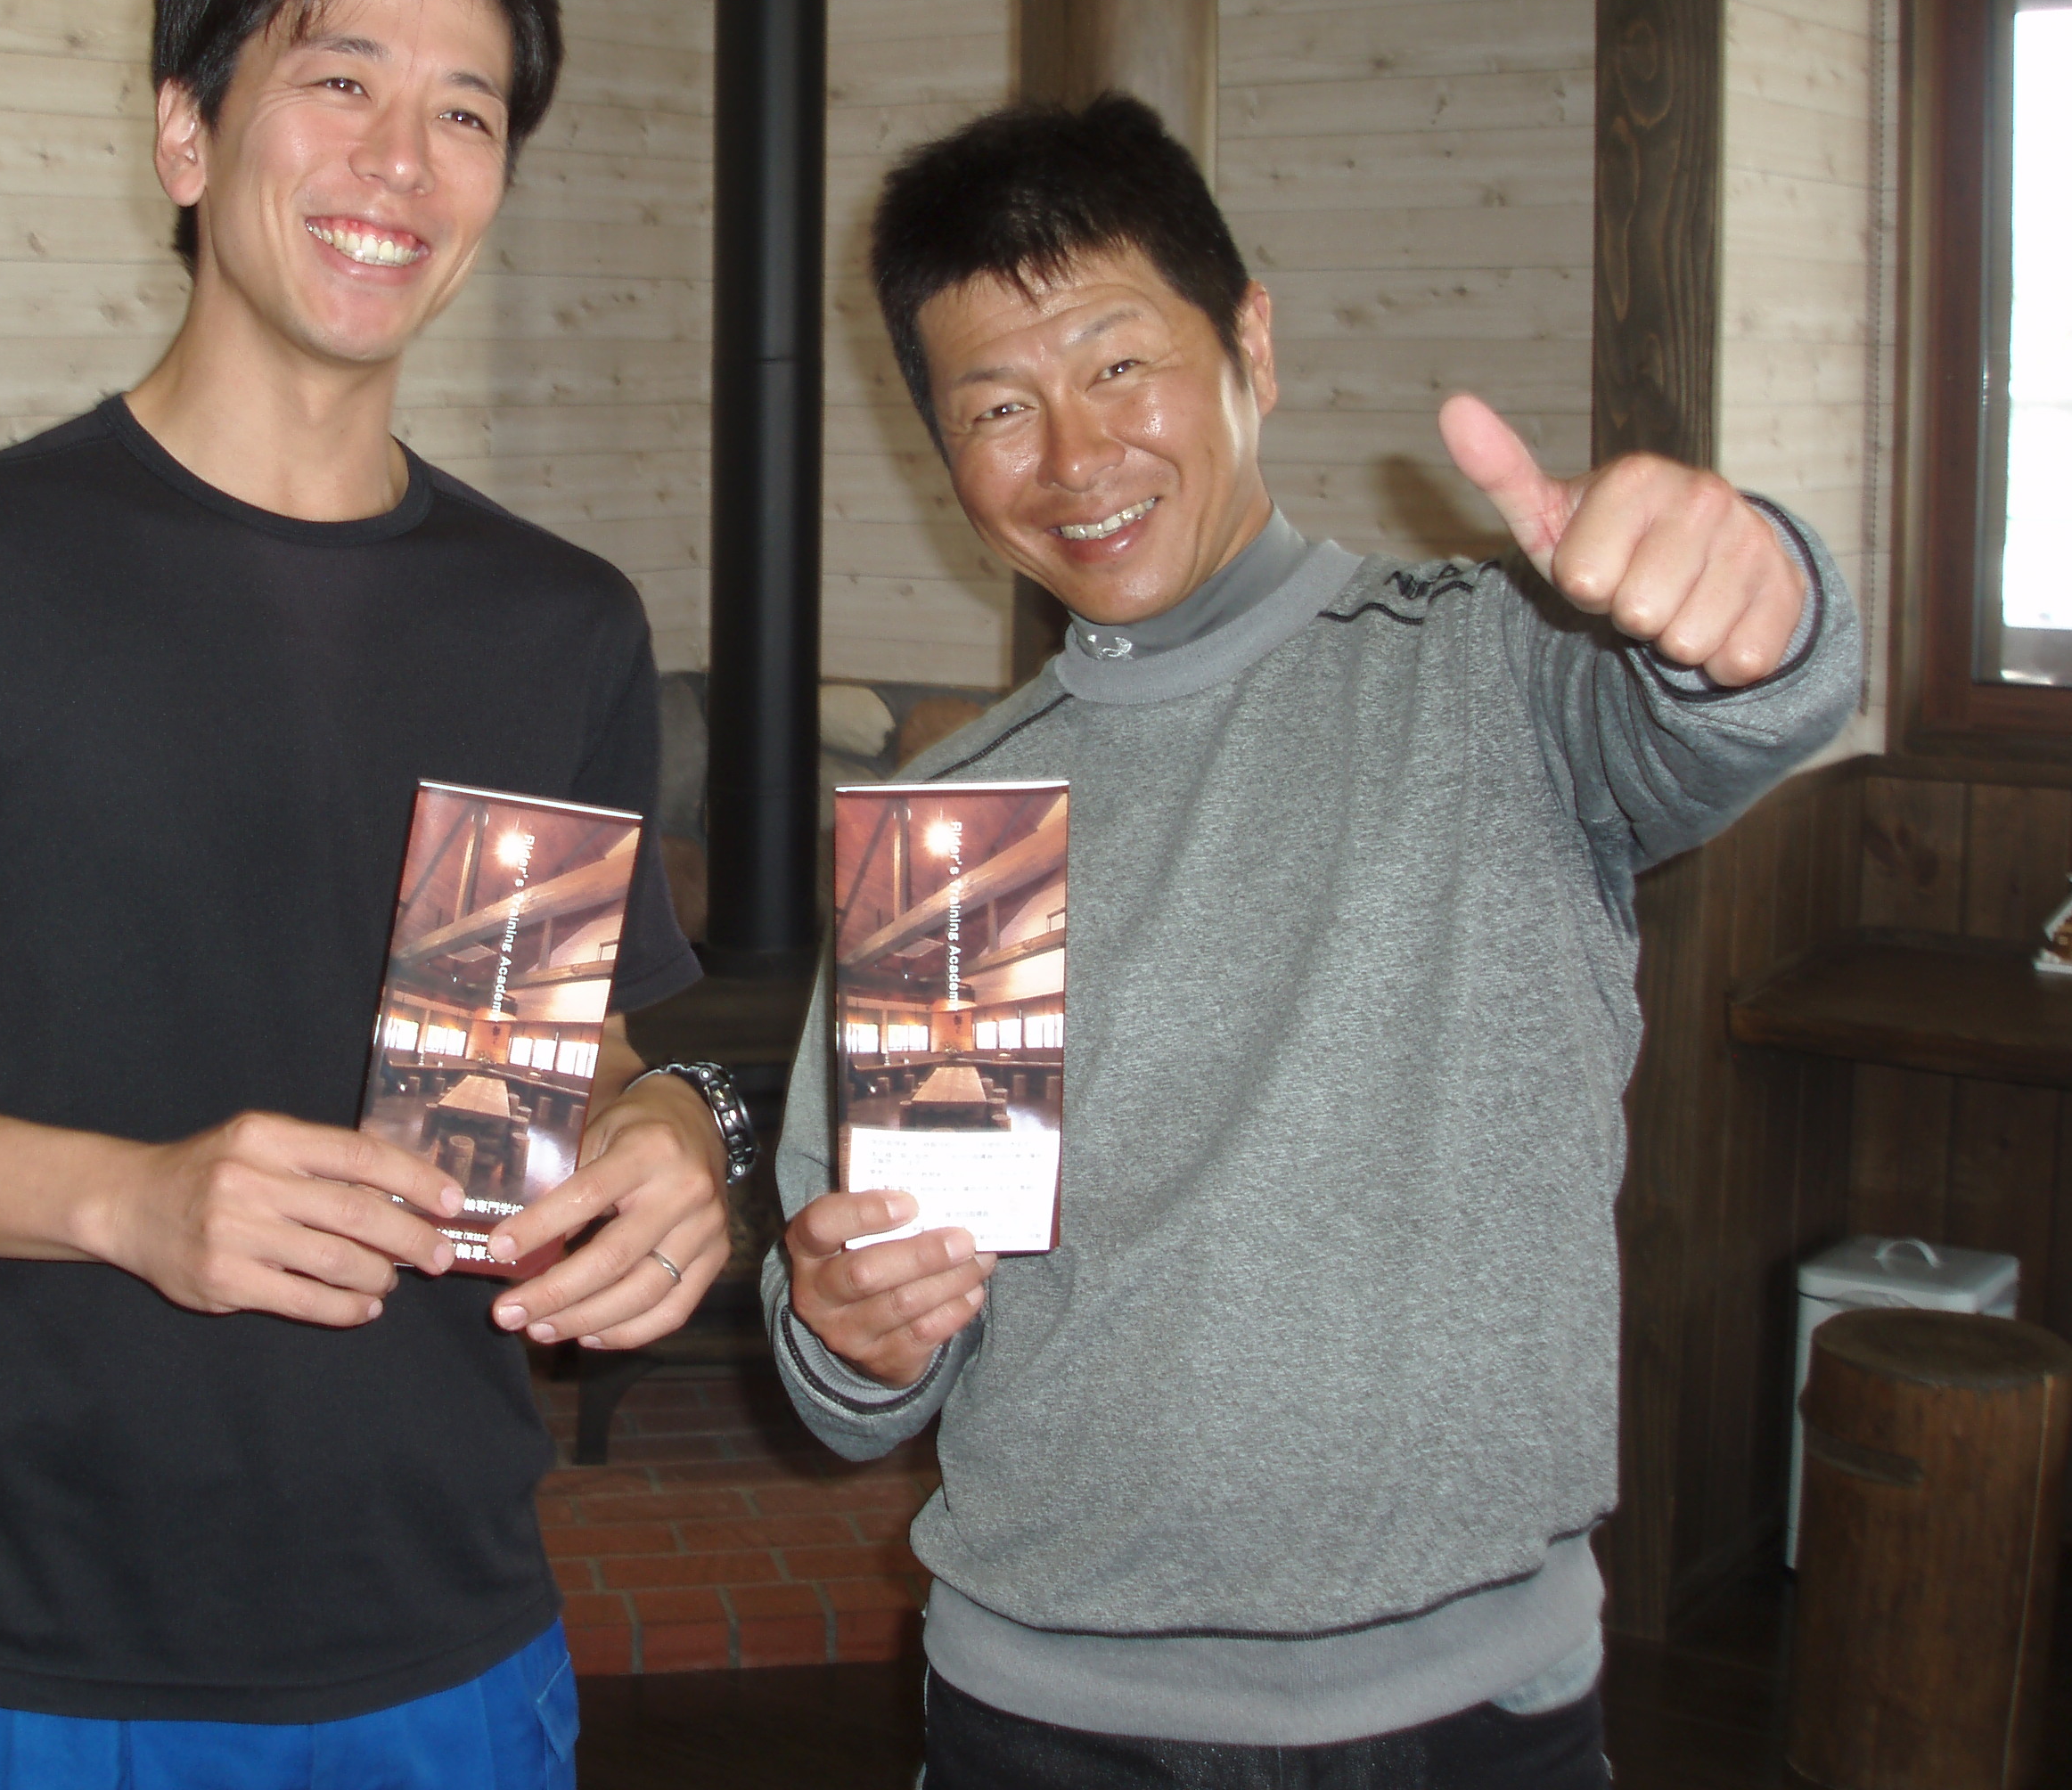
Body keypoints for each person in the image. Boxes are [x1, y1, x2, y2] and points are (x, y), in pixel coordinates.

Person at [0, 0, 751, 1790]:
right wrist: (132, 1202)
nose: (401, 163)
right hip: (38, 1645)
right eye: (339, 81)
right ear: (186, 133)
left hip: (448, 1638)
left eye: (467, 113)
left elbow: (553, 1049)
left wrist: (669, 1130)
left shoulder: (557, 623)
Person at [765, 94, 1857, 1788]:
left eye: (1120, 365)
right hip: (1048, 1716)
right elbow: (867, 1362)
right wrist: (850, 1327)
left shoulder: (1497, 672)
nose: (1075, 457)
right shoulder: (950, 831)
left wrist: (1757, 592)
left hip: (1471, 1709)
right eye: (999, 408)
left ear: (1251, 345)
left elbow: (1725, 708)